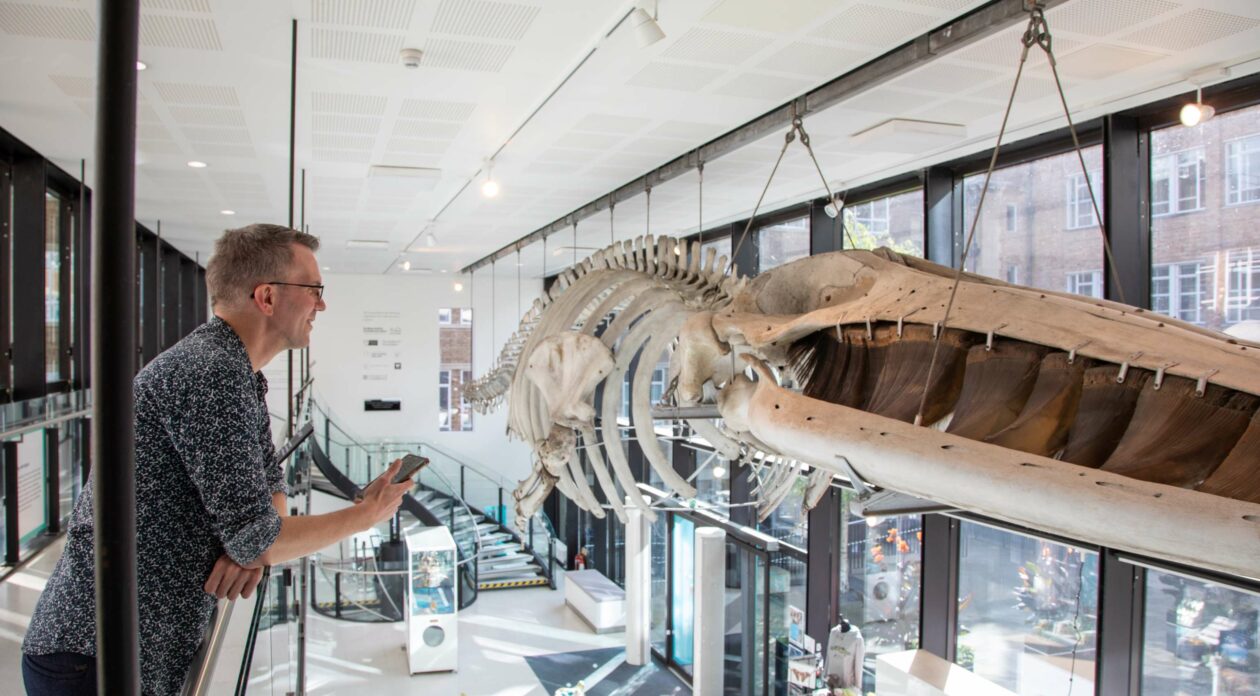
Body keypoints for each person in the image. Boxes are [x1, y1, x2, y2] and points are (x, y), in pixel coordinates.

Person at [22, 224, 413, 695]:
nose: (321, 304)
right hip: (95, 660)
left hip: (128, 654)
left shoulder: (238, 374)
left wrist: (250, 544)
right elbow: (261, 538)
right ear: (267, 297)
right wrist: (363, 516)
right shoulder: (211, 374)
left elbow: (271, 494)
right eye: (314, 290)